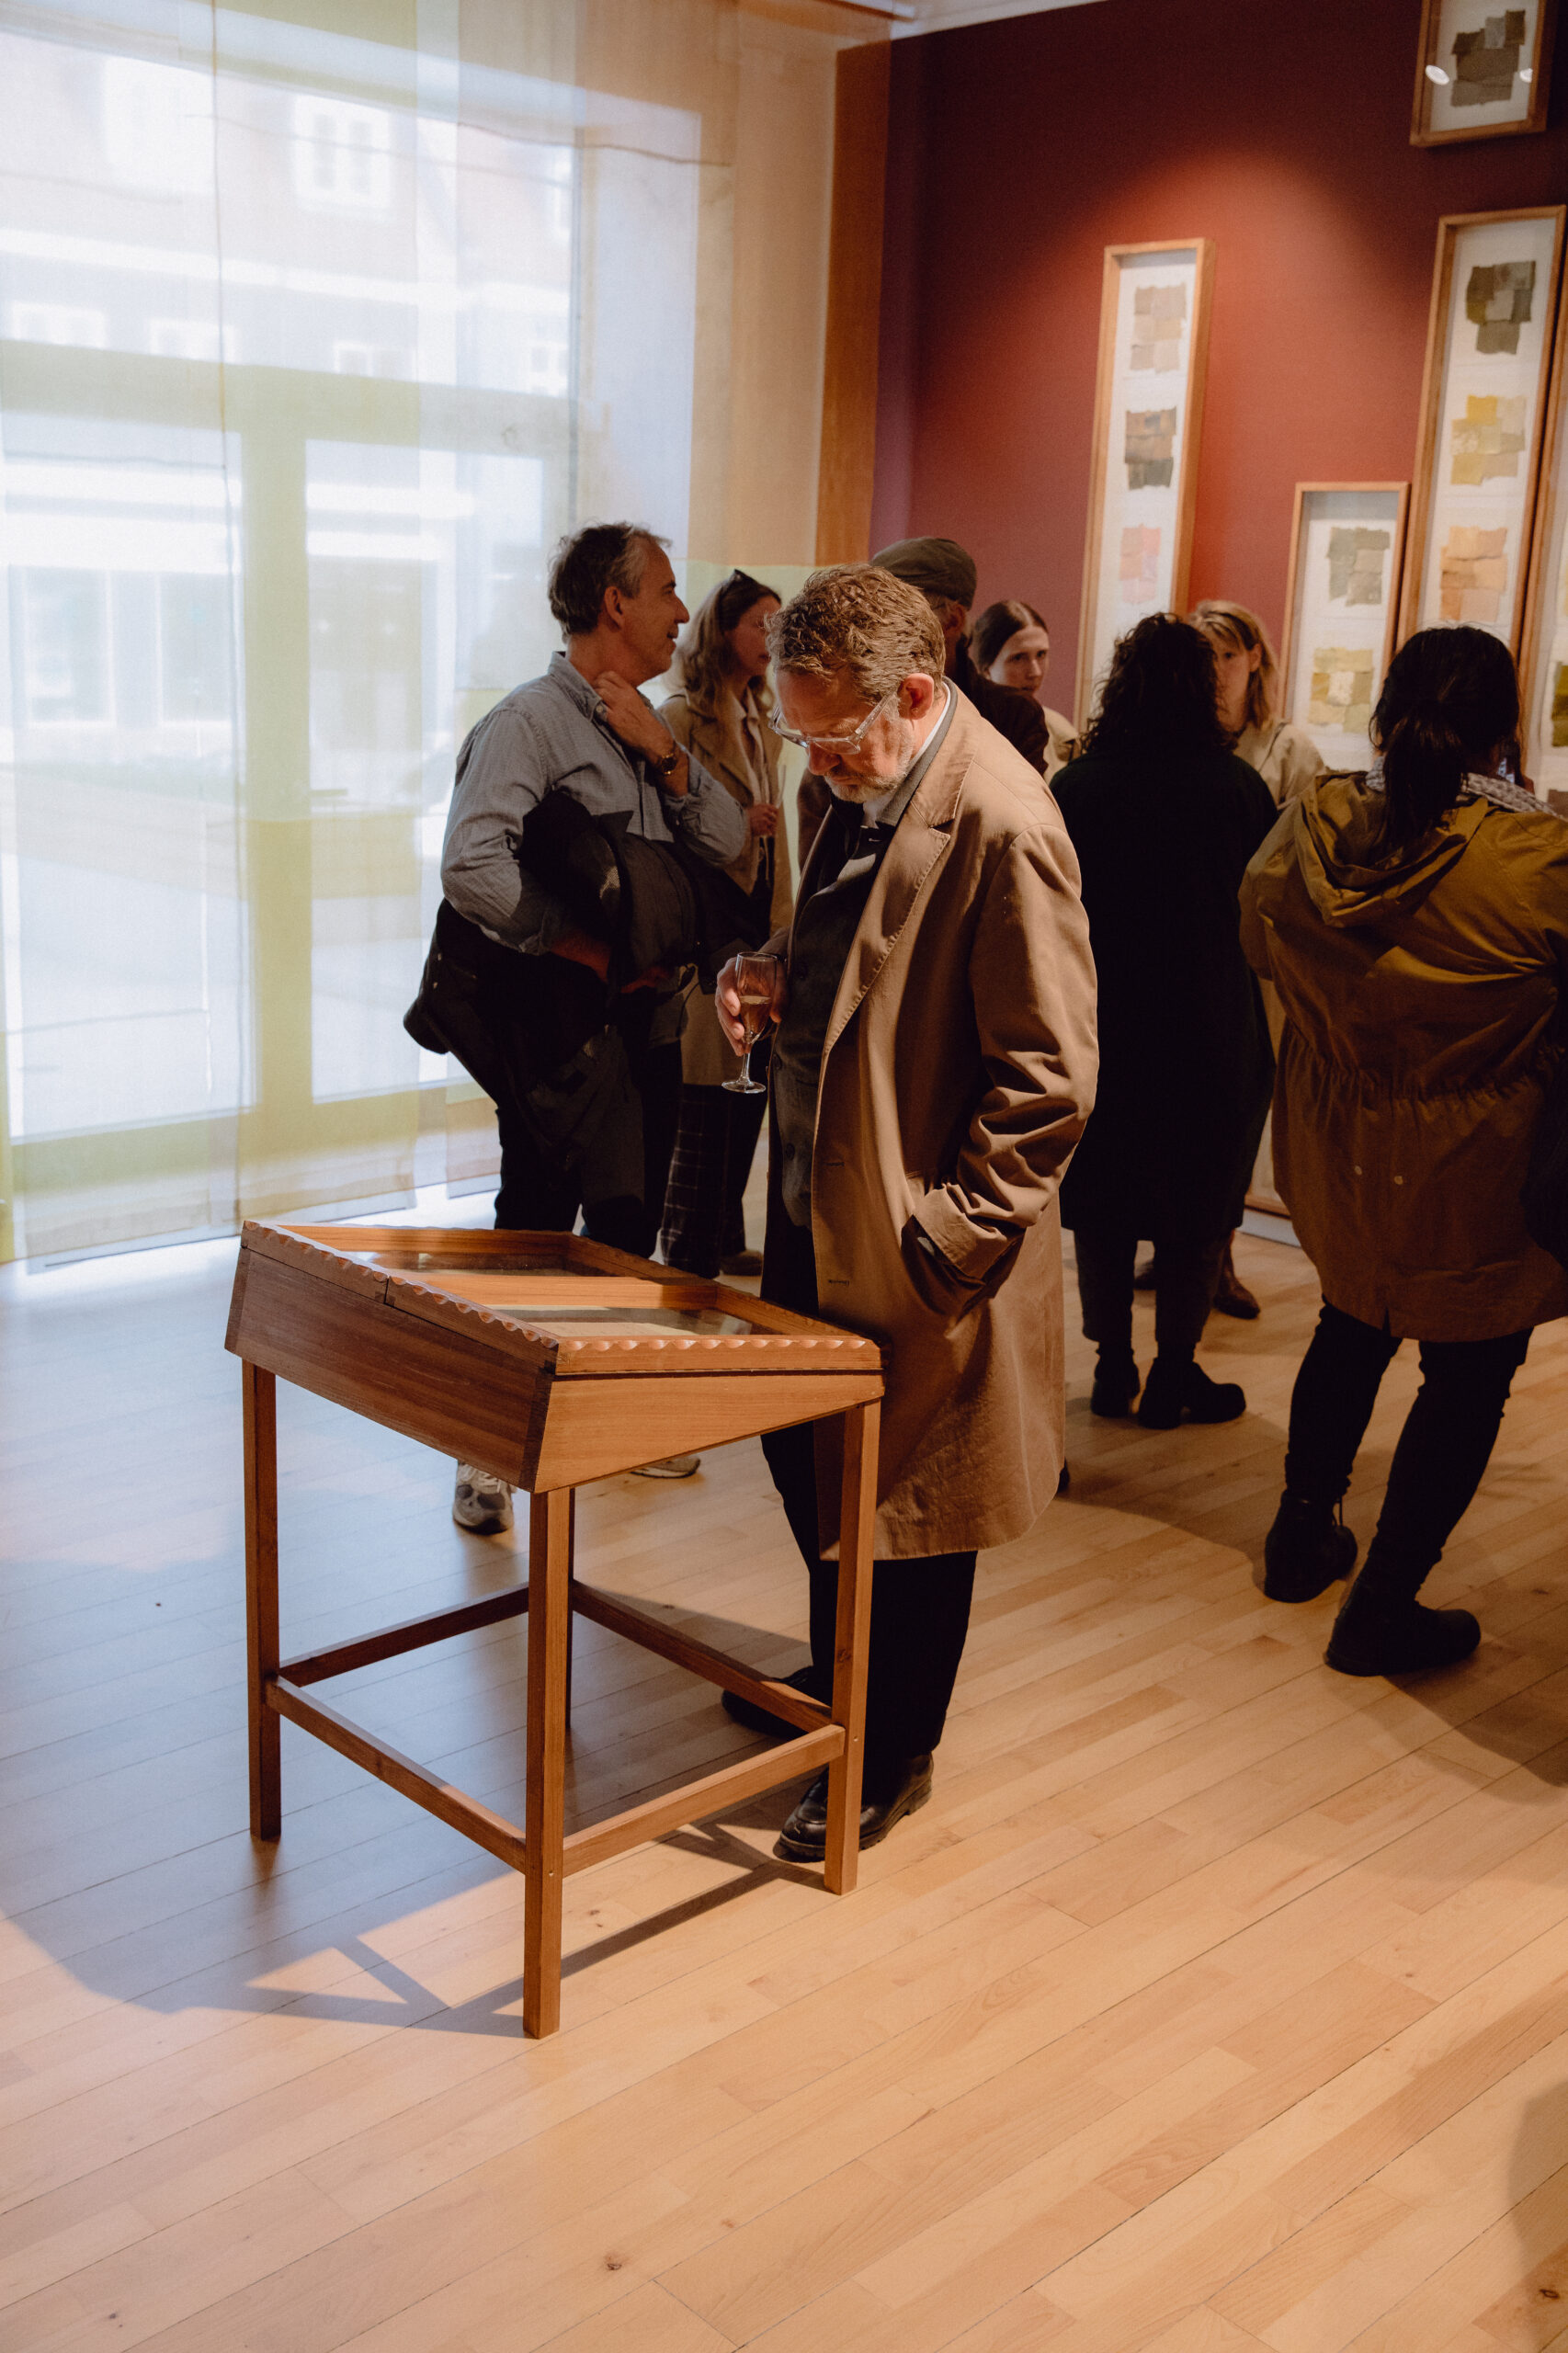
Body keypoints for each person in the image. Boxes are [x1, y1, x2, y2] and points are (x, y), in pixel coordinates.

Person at [714, 564, 1096, 1859]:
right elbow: (843, 946)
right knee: (811, 1458)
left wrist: (949, 1238)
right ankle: (841, 1679)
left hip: (914, 1234)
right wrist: (768, 972)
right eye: (798, 737)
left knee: (914, 1506)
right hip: (817, 1203)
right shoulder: (851, 778)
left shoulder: (1006, 821)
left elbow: (1049, 1080)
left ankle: (886, 1753)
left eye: (832, 738)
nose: (815, 766)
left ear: (917, 695)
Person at [1241, 626, 1568, 1677]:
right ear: (1502, 731)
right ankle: (1380, 1607)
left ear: (1384, 716)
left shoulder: (1311, 824)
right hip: (1475, 1167)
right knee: (1467, 1376)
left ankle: (1298, 1536)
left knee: (1347, 1325)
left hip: (1339, 1148)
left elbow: (1256, 937)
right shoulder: (1537, 861)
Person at [434, 521, 749, 1528]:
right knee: (532, 1236)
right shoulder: (528, 724)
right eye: (665, 590)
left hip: (648, 1025)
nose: (682, 612)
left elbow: (730, 838)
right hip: (555, 1030)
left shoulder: (650, 725)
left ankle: (600, 1426)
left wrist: (667, 757)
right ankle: (487, 1450)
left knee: (625, 1233)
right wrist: (579, 947)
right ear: (614, 603)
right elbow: (470, 864)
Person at [1054, 614, 1276, 1429]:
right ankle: (1175, 1372)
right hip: (1210, 1025)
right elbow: (1267, 909)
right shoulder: (1237, 788)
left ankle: (1112, 1365)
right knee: (1199, 1207)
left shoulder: (1077, 788)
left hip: (1103, 1023)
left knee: (1103, 1204)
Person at [657, 572, 794, 1279]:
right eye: (760, 624)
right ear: (723, 631)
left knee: (748, 1088)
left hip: (756, 919)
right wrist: (736, 822)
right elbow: (666, 825)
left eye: (779, 624)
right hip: (705, 927)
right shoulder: (680, 718)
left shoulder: (763, 718)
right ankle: (688, 1251)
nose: (772, 637)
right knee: (706, 1099)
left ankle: (723, 1236)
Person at [794, 536, 1052, 870]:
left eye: (896, 615)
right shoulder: (854, 698)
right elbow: (819, 829)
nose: (874, 629)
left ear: (953, 620)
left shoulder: (1011, 715)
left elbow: (1010, 838)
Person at [1192, 598, 1323, 809]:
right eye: (1206, 657)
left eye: (1228, 656)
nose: (1215, 671)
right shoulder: (1180, 742)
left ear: (1254, 657)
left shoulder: (1292, 750)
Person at [971, 598, 1079, 779]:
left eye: (1041, 655)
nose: (1035, 672)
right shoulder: (962, 730)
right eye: (1019, 658)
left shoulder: (1063, 735)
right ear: (986, 668)